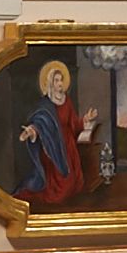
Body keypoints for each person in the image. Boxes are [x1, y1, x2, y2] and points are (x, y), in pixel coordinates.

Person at [17, 59, 97, 205]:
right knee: (59, 194)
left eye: (61, 80)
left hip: (68, 146)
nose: (60, 83)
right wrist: (31, 131)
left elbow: (74, 123)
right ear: (50, 83)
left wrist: (86, 118)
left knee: (75, 185)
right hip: (53, 146)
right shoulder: (45, 104)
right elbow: (40, 122)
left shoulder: (66, 100)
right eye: (56, 80)